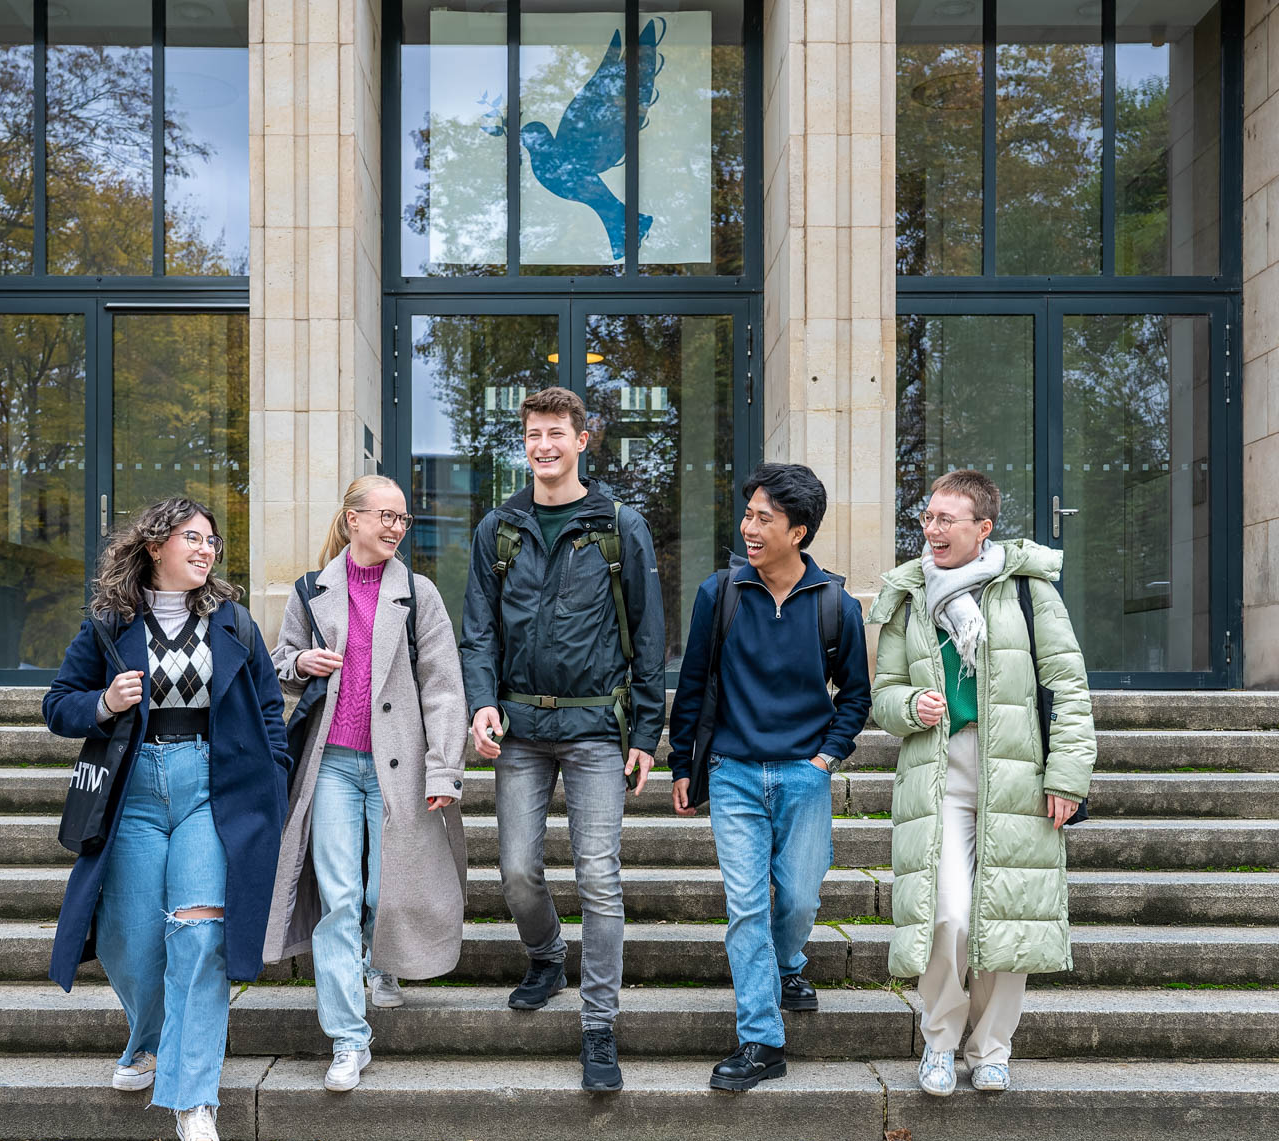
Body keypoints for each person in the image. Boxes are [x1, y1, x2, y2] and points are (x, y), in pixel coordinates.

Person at [42, 496, 292, 1141]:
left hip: (213, 790)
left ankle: (193, 1100)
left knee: (201, 933)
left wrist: (273, 775)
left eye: (212, 541)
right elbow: (57, 704)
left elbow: (270, 708)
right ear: (155, 545)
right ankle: (148, 1034)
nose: (206, 550)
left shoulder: (234, 623)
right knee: (130, 937)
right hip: (134, 792)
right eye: (193, 537)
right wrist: (103, 702)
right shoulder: (110, 623)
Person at [459, 385, 667, 1093]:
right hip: (519, 729)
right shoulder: (500, 528)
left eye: (556, 433)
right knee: (517, 871)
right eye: (532, 435)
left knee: (599, 876)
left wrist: (646, 730)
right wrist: (482, 702)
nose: (543, 446)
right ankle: (546, 953)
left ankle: (599, 1023)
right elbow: (478, 630)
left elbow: (647, 632)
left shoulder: (618, 525)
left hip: (593, 732)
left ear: (584, 439)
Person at [866, 469, 1095, 1096]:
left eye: (947, 519)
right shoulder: (909, 594)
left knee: (1008, 918)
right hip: (938, 776)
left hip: (1018, 773)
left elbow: (1067, 685)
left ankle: (991, 1047)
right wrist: (912, 706)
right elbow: (880, 696)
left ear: (983, 528)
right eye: (928, 518)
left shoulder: (1027, 590)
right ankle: (939, 1042)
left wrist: (1068, 775)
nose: (932, 530)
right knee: (949, 915)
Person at [668, 463, 871, 1091]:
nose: (749, 527)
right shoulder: (720, 594)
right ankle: (761, 1039)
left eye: (764, 518)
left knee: (801, 897)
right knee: (747, 906)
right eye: (748, 513)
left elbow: (856, 696)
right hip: (732, 772)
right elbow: (695, 683)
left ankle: (788, 964)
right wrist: (683, 763)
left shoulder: (837, 605)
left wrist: (823, 761)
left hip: (804, 775)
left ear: (799, 531)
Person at [268, 475, 469, 1092]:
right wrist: (300, 663)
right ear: (351, 519)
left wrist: (444, 768)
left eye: (402, 519)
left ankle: (381, 964)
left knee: (389, 890)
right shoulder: (310, 591)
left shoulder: (421, 594)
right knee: (339, 900)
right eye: (384, 516)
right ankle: (348, 1040)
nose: (395, 528)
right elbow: (278, 663)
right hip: (330, 763)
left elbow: (442, 687)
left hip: (400, 767)